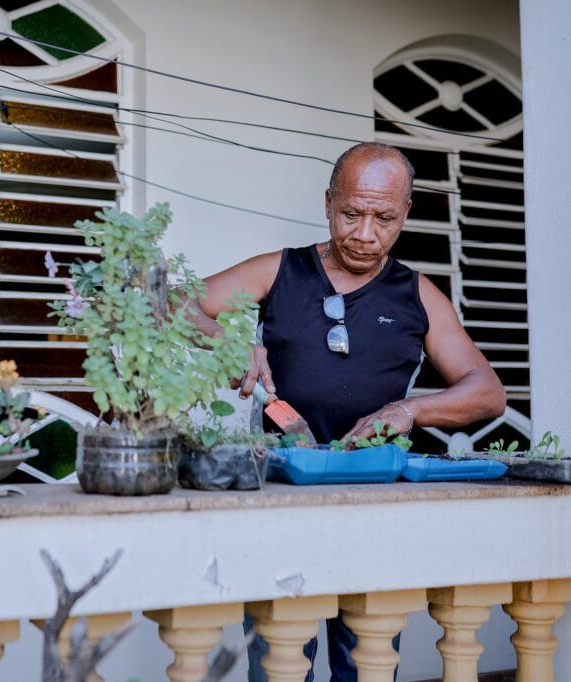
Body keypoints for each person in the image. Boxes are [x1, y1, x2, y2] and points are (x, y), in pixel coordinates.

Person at [192, 142, 507, 681]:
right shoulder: (281, 271)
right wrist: (227, 341)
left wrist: (410, 411)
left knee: (365, 663)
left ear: (405, 213)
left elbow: (487, 391)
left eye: (384, 218)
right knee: (278, 663)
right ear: (328, 202)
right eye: (350, 214)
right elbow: (174, 303)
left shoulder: (418, 295)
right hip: (281, 498)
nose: (364, 233)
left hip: (376, 503)